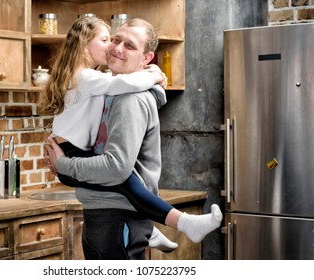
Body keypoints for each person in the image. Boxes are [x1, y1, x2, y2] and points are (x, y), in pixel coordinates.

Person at [45, 18, 222, 260]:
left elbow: (116, 168)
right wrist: (153, 74)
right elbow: (118, 83)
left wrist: (63, 164)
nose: (116, 48)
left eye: (129, 45)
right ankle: (153, 227)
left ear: (146, 58)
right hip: (110, 213)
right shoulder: (109, 87)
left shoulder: (129, 99)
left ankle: (178, 222)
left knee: (125, 179)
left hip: (118, 217)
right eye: (114, 40)